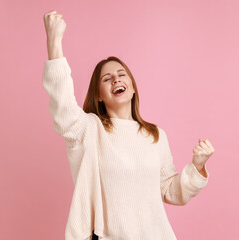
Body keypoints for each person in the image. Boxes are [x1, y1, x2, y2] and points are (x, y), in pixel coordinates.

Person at [42, 10, 215, 240]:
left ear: (132, 87)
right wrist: (54, 42)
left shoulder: (155, 135)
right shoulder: (89, 130)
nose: (116, 79)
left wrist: (197, 166)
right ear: (99, 95)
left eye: (122, 74)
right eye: (107, 78)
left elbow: (170, 191)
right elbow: (63, 108)